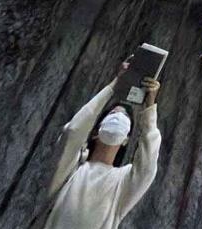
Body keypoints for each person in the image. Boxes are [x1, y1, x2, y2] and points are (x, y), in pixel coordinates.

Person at [41, 60, 162, 229]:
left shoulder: (123, 182)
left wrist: (150, 106)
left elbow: (147, 168)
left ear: (126, 139)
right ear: (96, 131)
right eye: (112, 114)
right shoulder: (72, 169)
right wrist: (115, 84)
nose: (117, 117)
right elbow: (73, 132)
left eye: (124, 117)